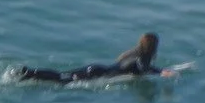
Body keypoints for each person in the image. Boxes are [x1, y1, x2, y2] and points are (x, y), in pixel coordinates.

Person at [17, 33, 169, 83]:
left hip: (96, 68)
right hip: (96, 73)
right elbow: (143, 68)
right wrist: (161, 72)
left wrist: (159, 71)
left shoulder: (133, 54)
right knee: (62, 78)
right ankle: (31, 73)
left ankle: (30, 73)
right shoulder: (140, 59)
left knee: (63, 76)